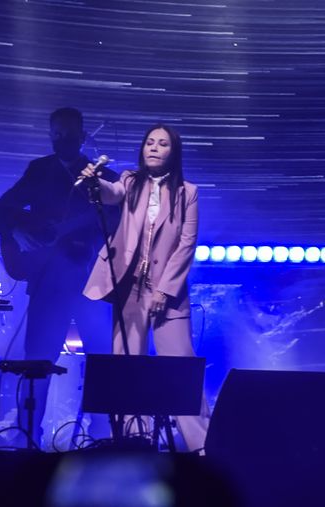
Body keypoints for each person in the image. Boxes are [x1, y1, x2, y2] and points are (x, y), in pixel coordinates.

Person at [0, 107, 117, 446]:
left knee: (103, 360)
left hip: (91, 284)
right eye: (56, 133)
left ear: (82, 136)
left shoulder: (104, 177)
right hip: (49, 283)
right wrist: (17, 230)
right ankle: (28, 438)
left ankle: (103, 437)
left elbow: (121, 224)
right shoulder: (40, 170)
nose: (62, 139)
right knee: (37, 362)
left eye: (68, 133)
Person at [81, 123, 210, 453]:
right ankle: (134, 438)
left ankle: (201, 444)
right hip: (129, 285)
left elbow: (186, 244)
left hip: (168, 290)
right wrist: (95, 182)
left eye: (162, 143)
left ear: (173, 151)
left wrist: (165, 290)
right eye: (150, 142)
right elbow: (111, 194)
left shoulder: (188, 192)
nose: (154, 147)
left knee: (180, 365)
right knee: (127, 364)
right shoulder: (130, 181)